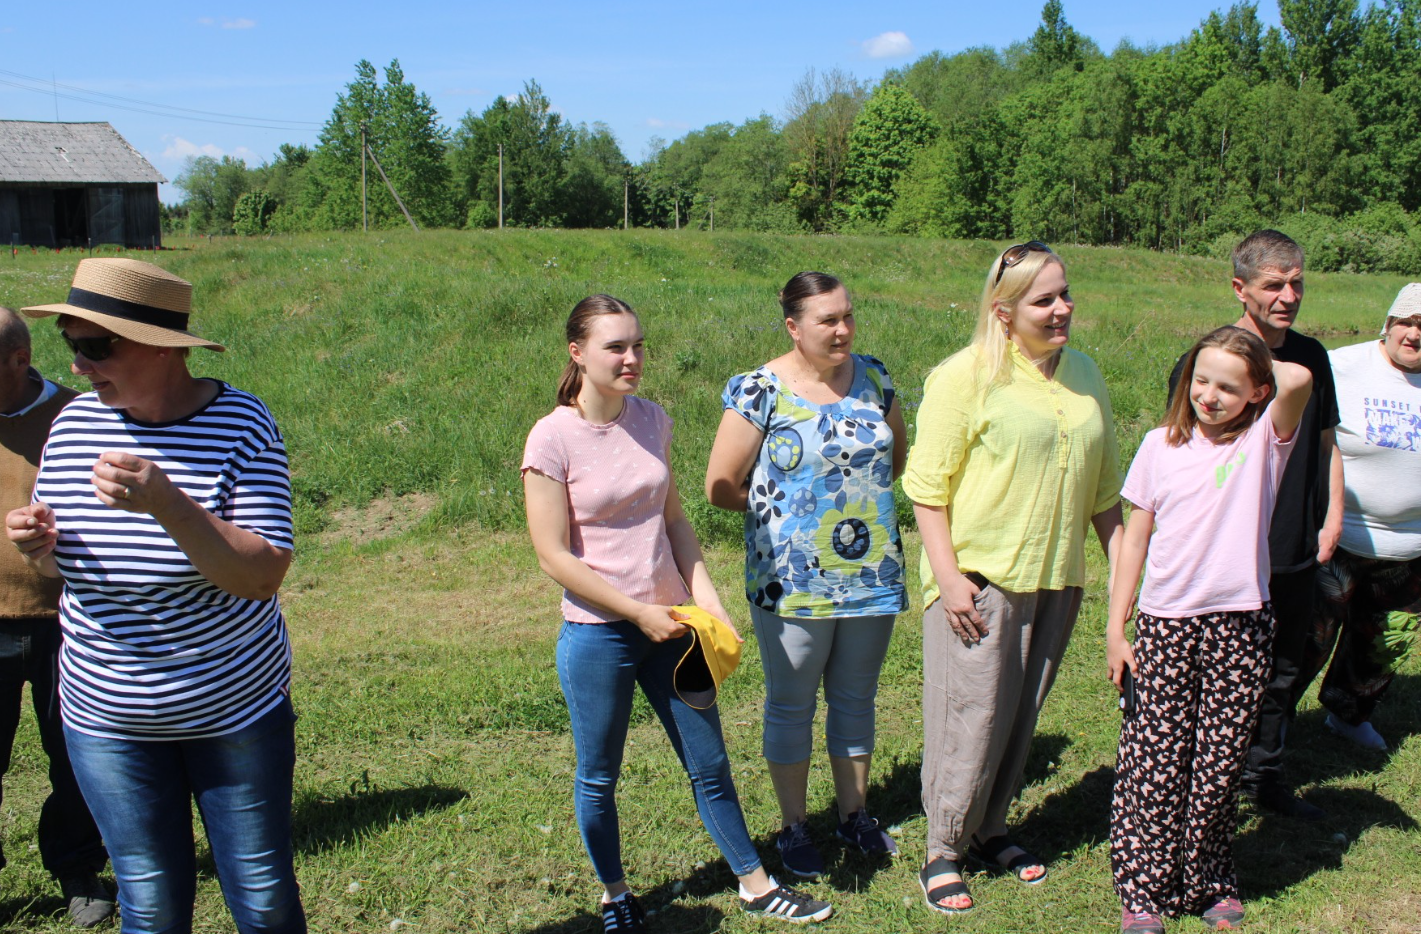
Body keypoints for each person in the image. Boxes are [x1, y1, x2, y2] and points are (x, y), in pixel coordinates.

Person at [5, 258, 305, 934]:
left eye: (96, 346)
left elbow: (261, 576)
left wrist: (168, 502)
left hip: (232, 711)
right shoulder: (76, 424)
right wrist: (39, 546)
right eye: (71, 346)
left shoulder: (241, 423)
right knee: (148, 901)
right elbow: (66, 574)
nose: (78, 367)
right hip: (106, 718)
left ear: (164, 347)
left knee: (259, 894)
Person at [522, 294, 832, 932]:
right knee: (599, 775)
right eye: (616, 347)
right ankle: (616, 896)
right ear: (577, 354)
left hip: (672, 627)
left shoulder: (653, 419)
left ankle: (754, 882)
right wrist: (637, 612)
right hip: (599, 634)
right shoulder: (552, 437)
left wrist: (706, 598)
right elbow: (553, 555)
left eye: (638, 344)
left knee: (710, 762)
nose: (632, 358)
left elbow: (674, 520)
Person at [903, 242, 1124, 914]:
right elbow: (926, 489)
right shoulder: (964, 376)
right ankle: (942, 848)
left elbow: (1103, 493)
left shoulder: (1083, 373)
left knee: (1020, 714)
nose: (1062, 309)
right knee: (969, 715)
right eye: (1044, 300)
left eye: (1064, 294)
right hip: (982, 578)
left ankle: (989, 828)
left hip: (1056, 575)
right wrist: (948, 578)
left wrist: (1125, 576)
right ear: (1003, 312)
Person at [705, 271, 908, 878]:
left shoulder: (875, 378)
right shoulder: (759, 390)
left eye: (847, 315)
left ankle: (854, 816)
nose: (843, 329)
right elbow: (720, 486)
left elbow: (897, 458)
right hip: (790, 579)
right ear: (793, 327)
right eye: (827, 320)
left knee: (856, 699)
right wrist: (789, 512)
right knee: (791, 705)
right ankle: (794, 827)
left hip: (871, 573)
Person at [1109, 326, 1312, 934]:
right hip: (1167, 622)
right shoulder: (1158, 445)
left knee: (1219, 763)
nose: (1209, 395)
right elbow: (1135, 541)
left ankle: (1208, 881)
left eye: (1228, 386)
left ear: (1256, 392)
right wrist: (1116, 629)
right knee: (1155, 757)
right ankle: (1142, 890)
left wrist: (1242, 348)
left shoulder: (1263, 443)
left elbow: (1298, 378)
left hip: (1242, 624)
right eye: (1201, 379)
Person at [1167, 230, 1342, 822]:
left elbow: (1325, 443)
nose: (1288, 296)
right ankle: (1197, 779)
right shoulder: (1211, 362)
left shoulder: (1314, 356)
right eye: (1274, 285)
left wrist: (1331, 516)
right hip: (1229, 550)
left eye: (1297, 283)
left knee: (1284, 669)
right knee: (1215, 670)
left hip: (1295, 541)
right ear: (1240, 288)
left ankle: (1263, 777)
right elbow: (1181, 456)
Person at [0, 307, 114, 928]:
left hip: (67, 619)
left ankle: (79, 869)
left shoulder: (81, 416)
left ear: (20, 361)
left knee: (74, 758)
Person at [1302, 283, 1421, 752]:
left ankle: (1350, 715)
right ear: (1388, 324)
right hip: (1338, 536)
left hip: (1411, 547)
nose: (1414, 334)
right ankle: (1272, 721)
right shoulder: (1340, 367)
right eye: (1407, 322)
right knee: (1309, 636)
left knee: (1385, 640)